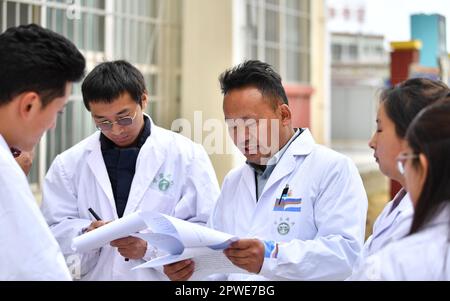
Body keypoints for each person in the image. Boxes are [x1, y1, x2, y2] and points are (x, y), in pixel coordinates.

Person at [164, 60, 368, 281]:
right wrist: (190, 271)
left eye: (250, 124)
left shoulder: (332, 169)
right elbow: (219, 266)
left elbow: (344, 256)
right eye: (233, 126)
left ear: (284, 115)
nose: (241, 137)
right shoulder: (234, 182)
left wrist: (270, 256)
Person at [41, 60, 220, 281]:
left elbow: (208, 233)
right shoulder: (68, 164)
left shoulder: (187, 156)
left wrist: (149, 248)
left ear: (143, 100)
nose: (116, 130)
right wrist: (88, 232)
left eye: (124, 118)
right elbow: (51, 234)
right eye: (103, 122)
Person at [0, 24, 85, 280]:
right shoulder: (4, 170)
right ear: (29, 104)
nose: (53, 125)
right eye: (57, 112)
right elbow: (37, 270)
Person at [353, 78, 449, 267]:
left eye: (380, 129)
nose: (371, 142)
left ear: (414, 134)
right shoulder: (397, 206)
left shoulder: (419, 225)